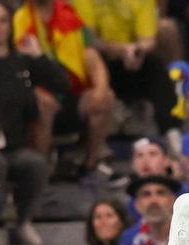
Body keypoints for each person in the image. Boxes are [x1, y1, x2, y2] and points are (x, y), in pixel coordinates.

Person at [0, 0, 68, 245]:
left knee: (34, 164)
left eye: (2, 20)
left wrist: (39, 56)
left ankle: (23, 223)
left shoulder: (20, 61)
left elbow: (62, 84)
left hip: (16, 145)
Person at [15, 0, 116, 180]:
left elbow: (91, 55)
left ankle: (90, 165)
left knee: (105, 97)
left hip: (73, 92)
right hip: (38, 95)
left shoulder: (73, 17)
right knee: (43, 103)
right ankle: (40, 172)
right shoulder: (19, 21)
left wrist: (101, 89)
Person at [74, 0, 177, 135]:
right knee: (90, 56)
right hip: (99, 57)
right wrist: (123, 50)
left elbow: (148, 40)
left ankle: (171, 130)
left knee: (154, 65)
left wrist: (137, 51)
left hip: (130, 56)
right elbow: (89, 40)